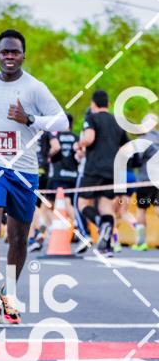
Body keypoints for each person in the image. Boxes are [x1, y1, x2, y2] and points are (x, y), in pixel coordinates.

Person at [0, 29, 68, 324]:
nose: (9, 56)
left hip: (24, 170)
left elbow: (62, 121)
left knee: (18, 238)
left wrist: (30, 119)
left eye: (15, 52)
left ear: (23, 55)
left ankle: (9, 297)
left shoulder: (34, 88)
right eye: (5, 52)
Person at [74, 89, 130, 256]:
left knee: (82, 204)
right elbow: (125, 148)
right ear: (108, 104)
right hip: (113, 171)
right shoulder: (117, 122)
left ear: (93, 104)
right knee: (106, 206)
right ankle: (106, 247)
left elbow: (89, 138)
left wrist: (79, 145)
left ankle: (99, 223)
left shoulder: (91, 118)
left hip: (94, 168)